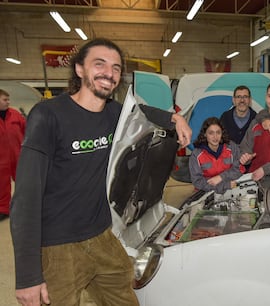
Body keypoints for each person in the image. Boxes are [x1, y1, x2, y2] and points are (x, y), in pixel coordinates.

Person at [10, 38, 191, 306]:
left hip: (101, 235)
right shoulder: (48, 115)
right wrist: (27, 276)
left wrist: (175, 118)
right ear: (80, 69)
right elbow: (25, 198)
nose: (109, 73)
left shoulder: (113, 114)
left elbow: (142, 112)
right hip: (58, 245)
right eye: (100, 64)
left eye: (116, 68)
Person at [189, 117, 244, 194]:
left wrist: (221, 177)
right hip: (206, 192)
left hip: (231, 189)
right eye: (211, 133)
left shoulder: (231, 147)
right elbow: (197, 182)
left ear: (222, 133)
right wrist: (223, 185)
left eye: (218, 132)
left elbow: (239, 169)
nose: (215, 137)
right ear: (205, 134)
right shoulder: (196, 154)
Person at [0, 89, 25, 221]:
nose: (8, 102)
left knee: (24, 182)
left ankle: (25, 206)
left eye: (8, 99)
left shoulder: (15, 115)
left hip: (18, 156)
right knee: (2, 185)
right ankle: (3, 210)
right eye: (5, 100)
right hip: (1, 159)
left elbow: (26, 131)